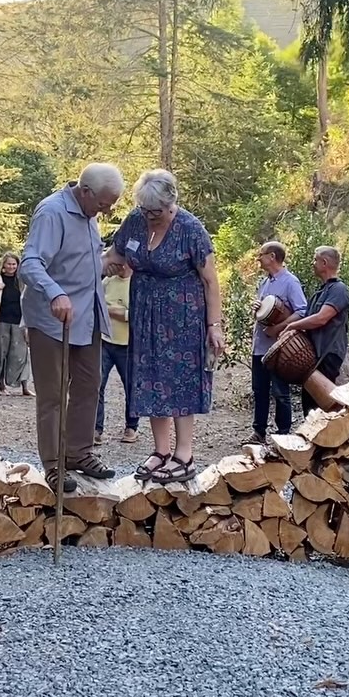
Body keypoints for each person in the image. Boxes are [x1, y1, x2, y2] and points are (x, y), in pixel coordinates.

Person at [106, 169, 225, 485]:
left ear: (171, 204)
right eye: (145, 210)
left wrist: (214, 325)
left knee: (180, 382)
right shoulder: (136, 220)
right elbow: (115, 254)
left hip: (183, 318)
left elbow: (210, 281)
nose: (149, 216)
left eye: (155, 212)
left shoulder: (190, 229)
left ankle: (184, 455)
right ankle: (161, 451)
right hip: (144, 316)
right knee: (150, 380)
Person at [19, 163, 124, 494]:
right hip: (53, 320)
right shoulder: (52, 212)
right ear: (86, 191)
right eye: (104, 204)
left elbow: (77, 262)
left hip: (87, 316)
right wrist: (55, 293)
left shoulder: (89, 214)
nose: (106, 211)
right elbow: (30, 263)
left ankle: (78, 452)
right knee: (52, 395)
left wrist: (105, 264)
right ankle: (53, 464)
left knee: (89, 385)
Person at [280, 245, 349, 414]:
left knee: (322, 406)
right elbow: (306, 317)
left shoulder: (339, 290)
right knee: (309, 404)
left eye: (315, 260)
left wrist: (293, 326)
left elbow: (321, 318)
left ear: (324, 262)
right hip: (315, 356)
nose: (313, 263)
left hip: (327, 355)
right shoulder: (321, 291)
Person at [250, 241, 307, 443]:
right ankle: (259, 432)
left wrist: (278, 328)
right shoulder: (264, 283)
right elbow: (262, 314)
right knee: (259, 391)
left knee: (280, 392)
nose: (259, 258)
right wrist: (256, 309)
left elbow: (302, 310)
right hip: (260, 347)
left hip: (279, 349)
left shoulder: (291, 282)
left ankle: (283, 434)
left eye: (261, 254)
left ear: (272, 256)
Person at [95, 257, 138, 445]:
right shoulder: (107, 282)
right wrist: (119, 311)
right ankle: (96, 428)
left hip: (128, 344)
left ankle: (131, 427)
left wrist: (114, 311)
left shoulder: (136, 283)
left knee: (131, 387)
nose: (116, 266)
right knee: (97, 385)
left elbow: (137, 314)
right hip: (105, 341)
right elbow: (98, 306)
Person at [0, 251, 33, 397]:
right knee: (0, 353)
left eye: (14, 264)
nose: (11, 267)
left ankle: (24, 387)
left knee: (21, 354)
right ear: (4, 265)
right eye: (9, 264)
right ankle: (2, 386)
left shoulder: (22, 281)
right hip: (0, 321)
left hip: (19, 322)